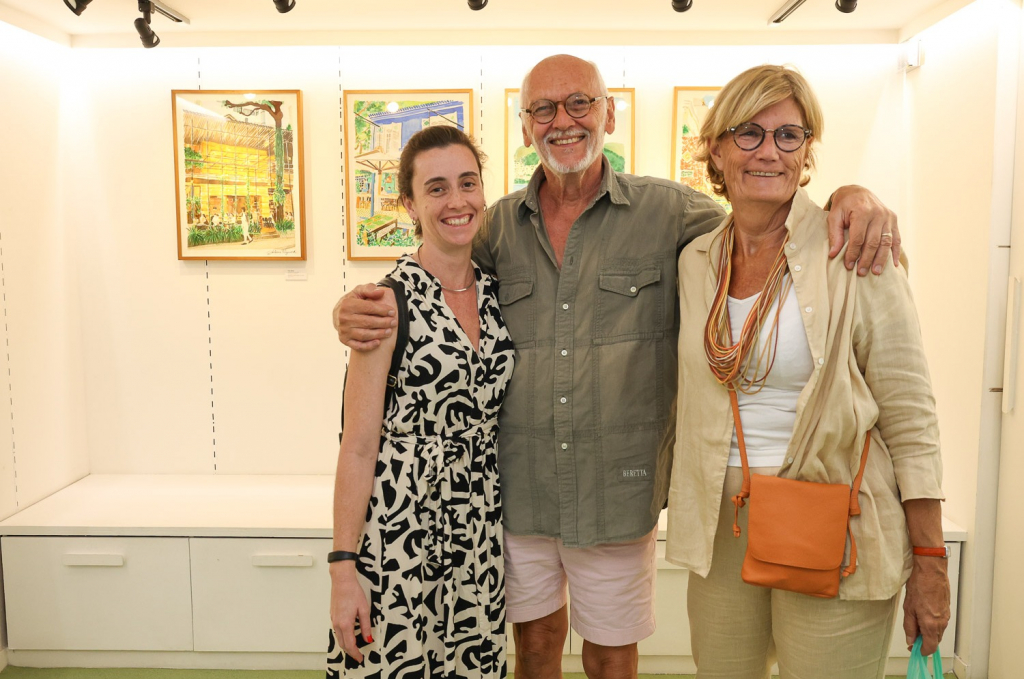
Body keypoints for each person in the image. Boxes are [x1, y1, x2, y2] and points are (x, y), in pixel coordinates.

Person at [333, 54, 901, 679]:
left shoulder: (671, 213)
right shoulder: (497, 228)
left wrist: (850, 197)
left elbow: (764, 220)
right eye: (543, 109)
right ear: (525, 128)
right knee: (535, 649)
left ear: (607, 113)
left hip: (616, 493)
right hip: (518, 493)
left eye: (580, 103)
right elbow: (440, 268)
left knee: (610, 658)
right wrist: (352, 308)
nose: (564, 122)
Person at [666, 64, 948, 679]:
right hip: (721, 526)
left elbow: (911, 414)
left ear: (806, 150)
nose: (769, 151)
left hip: (834, 519)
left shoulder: (854, 247)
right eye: (749, 133)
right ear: (716, 149)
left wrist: (931, 559)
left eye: (788, 136)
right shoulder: (696, 260)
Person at [326, 125, 515, 678]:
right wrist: (343, 568)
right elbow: (358, 446)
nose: (456, 202)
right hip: (401, 531)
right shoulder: (386, 303)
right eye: (436, 188)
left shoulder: (499, 290)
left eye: (467, 183)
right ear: (409, 202)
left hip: (478, 529)